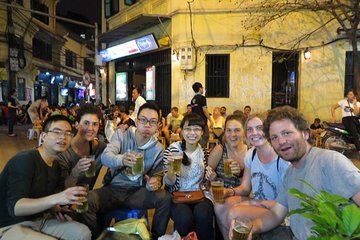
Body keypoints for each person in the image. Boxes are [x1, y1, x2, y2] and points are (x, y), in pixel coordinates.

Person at [232, 106, 360, 240]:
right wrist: (251, 227)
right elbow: (276, 214)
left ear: (305, 134)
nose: (281, 141)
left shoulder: (329, 161)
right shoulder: (290, 174)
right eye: (274, 137)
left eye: (287, 133)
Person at [85, 102, 171, 239]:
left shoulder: (158, 149)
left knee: (165, 198)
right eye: (143, 120)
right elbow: (106, 157)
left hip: (137, 193)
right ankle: (95, 237)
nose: (147, 125)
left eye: (153, 122)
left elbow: (157, 175)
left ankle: (156, 236)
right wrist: (122, 159)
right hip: (113, 189)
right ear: (136, 121)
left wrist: (155, 182)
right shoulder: (122, 134)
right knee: (88, 200)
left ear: (158, 125)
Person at [0, 115, 91, 240]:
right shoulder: (25, 160)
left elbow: (46, 197)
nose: (63, 137)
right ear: (43, 136)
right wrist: (57, 198)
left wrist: (55, 209)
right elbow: (16, 208)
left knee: (83, 232)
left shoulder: (56, 165)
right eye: (56, 132)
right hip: (10, 225)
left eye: (68, 133)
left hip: (41, 220)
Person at [217, 115, 289, 240]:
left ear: (268, 130)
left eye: (259, 128)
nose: (254, 133)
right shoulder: (251, 154)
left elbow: (287, 203)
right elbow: (245, 188)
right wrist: (230, 191)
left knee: (234, 212)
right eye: (250, 129)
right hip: (259, 202)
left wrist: (254, 202)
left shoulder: (282, 159)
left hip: (279, 210)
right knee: (220, 205)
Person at [163, 113, 214, 240]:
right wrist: (171, 169)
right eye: (188, 128)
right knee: (184, 216)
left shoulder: (205, 153)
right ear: (181, 131)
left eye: (196, 129)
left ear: (202, 131)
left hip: (199, 194)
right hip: (177, 195)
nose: (192, 133)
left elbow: (208, 181)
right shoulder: (173, 150)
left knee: (203, 213)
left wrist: (211, 176)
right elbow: (169, 183)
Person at [57, 104, 106, 190]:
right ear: (76, 125)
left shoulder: (102, 148)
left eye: (95, 124)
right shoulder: (63, 152)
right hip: (71, 199)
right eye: (86, 123)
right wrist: (76, 171)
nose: (90, 128)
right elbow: (64, 188)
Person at [190, 82, 213, 147]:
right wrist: (210, 119)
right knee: (205, 136)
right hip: (202, 121)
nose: (203, 89)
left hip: (195, 122)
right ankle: (202, 151)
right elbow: (204, 110)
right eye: (202, 88)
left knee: (196, 137)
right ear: (200, 89)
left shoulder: (193, 99)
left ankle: (197, 149)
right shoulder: (202, 98)